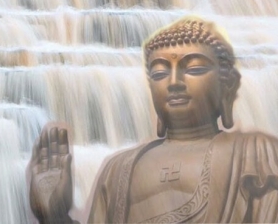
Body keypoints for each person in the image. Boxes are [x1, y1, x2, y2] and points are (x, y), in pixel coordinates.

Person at [29, 17, 278, 223]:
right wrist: (55, 215)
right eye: (159, 73)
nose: (174, 83)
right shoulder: (118, 169)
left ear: (227, 86)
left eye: (194, 69)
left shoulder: (256, 155)